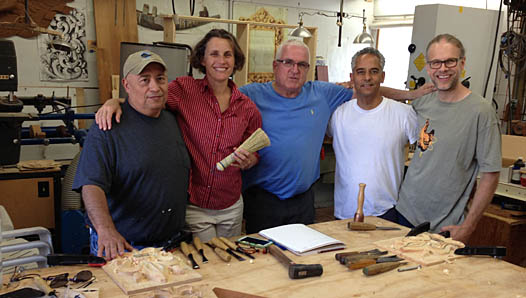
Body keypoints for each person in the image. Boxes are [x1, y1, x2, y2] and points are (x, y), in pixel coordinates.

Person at [240, 39, 432, 234]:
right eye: (288, 62)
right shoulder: (251, 94)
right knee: (261, 257)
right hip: (262, 198)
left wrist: (412, 94)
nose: (294, 70)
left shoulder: (322, 94)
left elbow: (367, 89)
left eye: (302, 64)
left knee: (303, 256)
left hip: (303, 200)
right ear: (275, 65)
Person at [95, 29, 262, 242]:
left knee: (228, 265)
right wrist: (114, 102)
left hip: (231, 205)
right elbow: (151, 97)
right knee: (205, 264)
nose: (221, 61)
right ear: (202, 58)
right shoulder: (184, 90)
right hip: (195, 205)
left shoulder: (247, 108)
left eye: (227, 54)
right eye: (214, 54)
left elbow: (256, 153)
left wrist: (250, 160)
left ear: (235, 59)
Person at [73, 50, 191, 259]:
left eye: (160, 79)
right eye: (144, 80)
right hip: (124, 247)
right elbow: (91, 185)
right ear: (127, 85)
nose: (154, 87)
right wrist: (105, 229)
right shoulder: (107, 126)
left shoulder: (173, 119)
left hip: (171, 244)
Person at [394, 34, 501, 243]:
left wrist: (467, 228)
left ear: (462, 63)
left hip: (444, 226)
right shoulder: (422, 102)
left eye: (449, 61)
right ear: (427, 67)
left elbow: (490, 176)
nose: (442, 69)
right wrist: (411, 94)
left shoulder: (481, 112)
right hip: (404, 213)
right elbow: (373, 93)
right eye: (436, 62)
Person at [327, 47, 418, 221]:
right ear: (352, 77)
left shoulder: (404, 113)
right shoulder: (338, 114)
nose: (367, 77)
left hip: (387, 211)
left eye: (374, 72)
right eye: (361, 72)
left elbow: (424, 154)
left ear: (382, 76)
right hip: (345, 212)